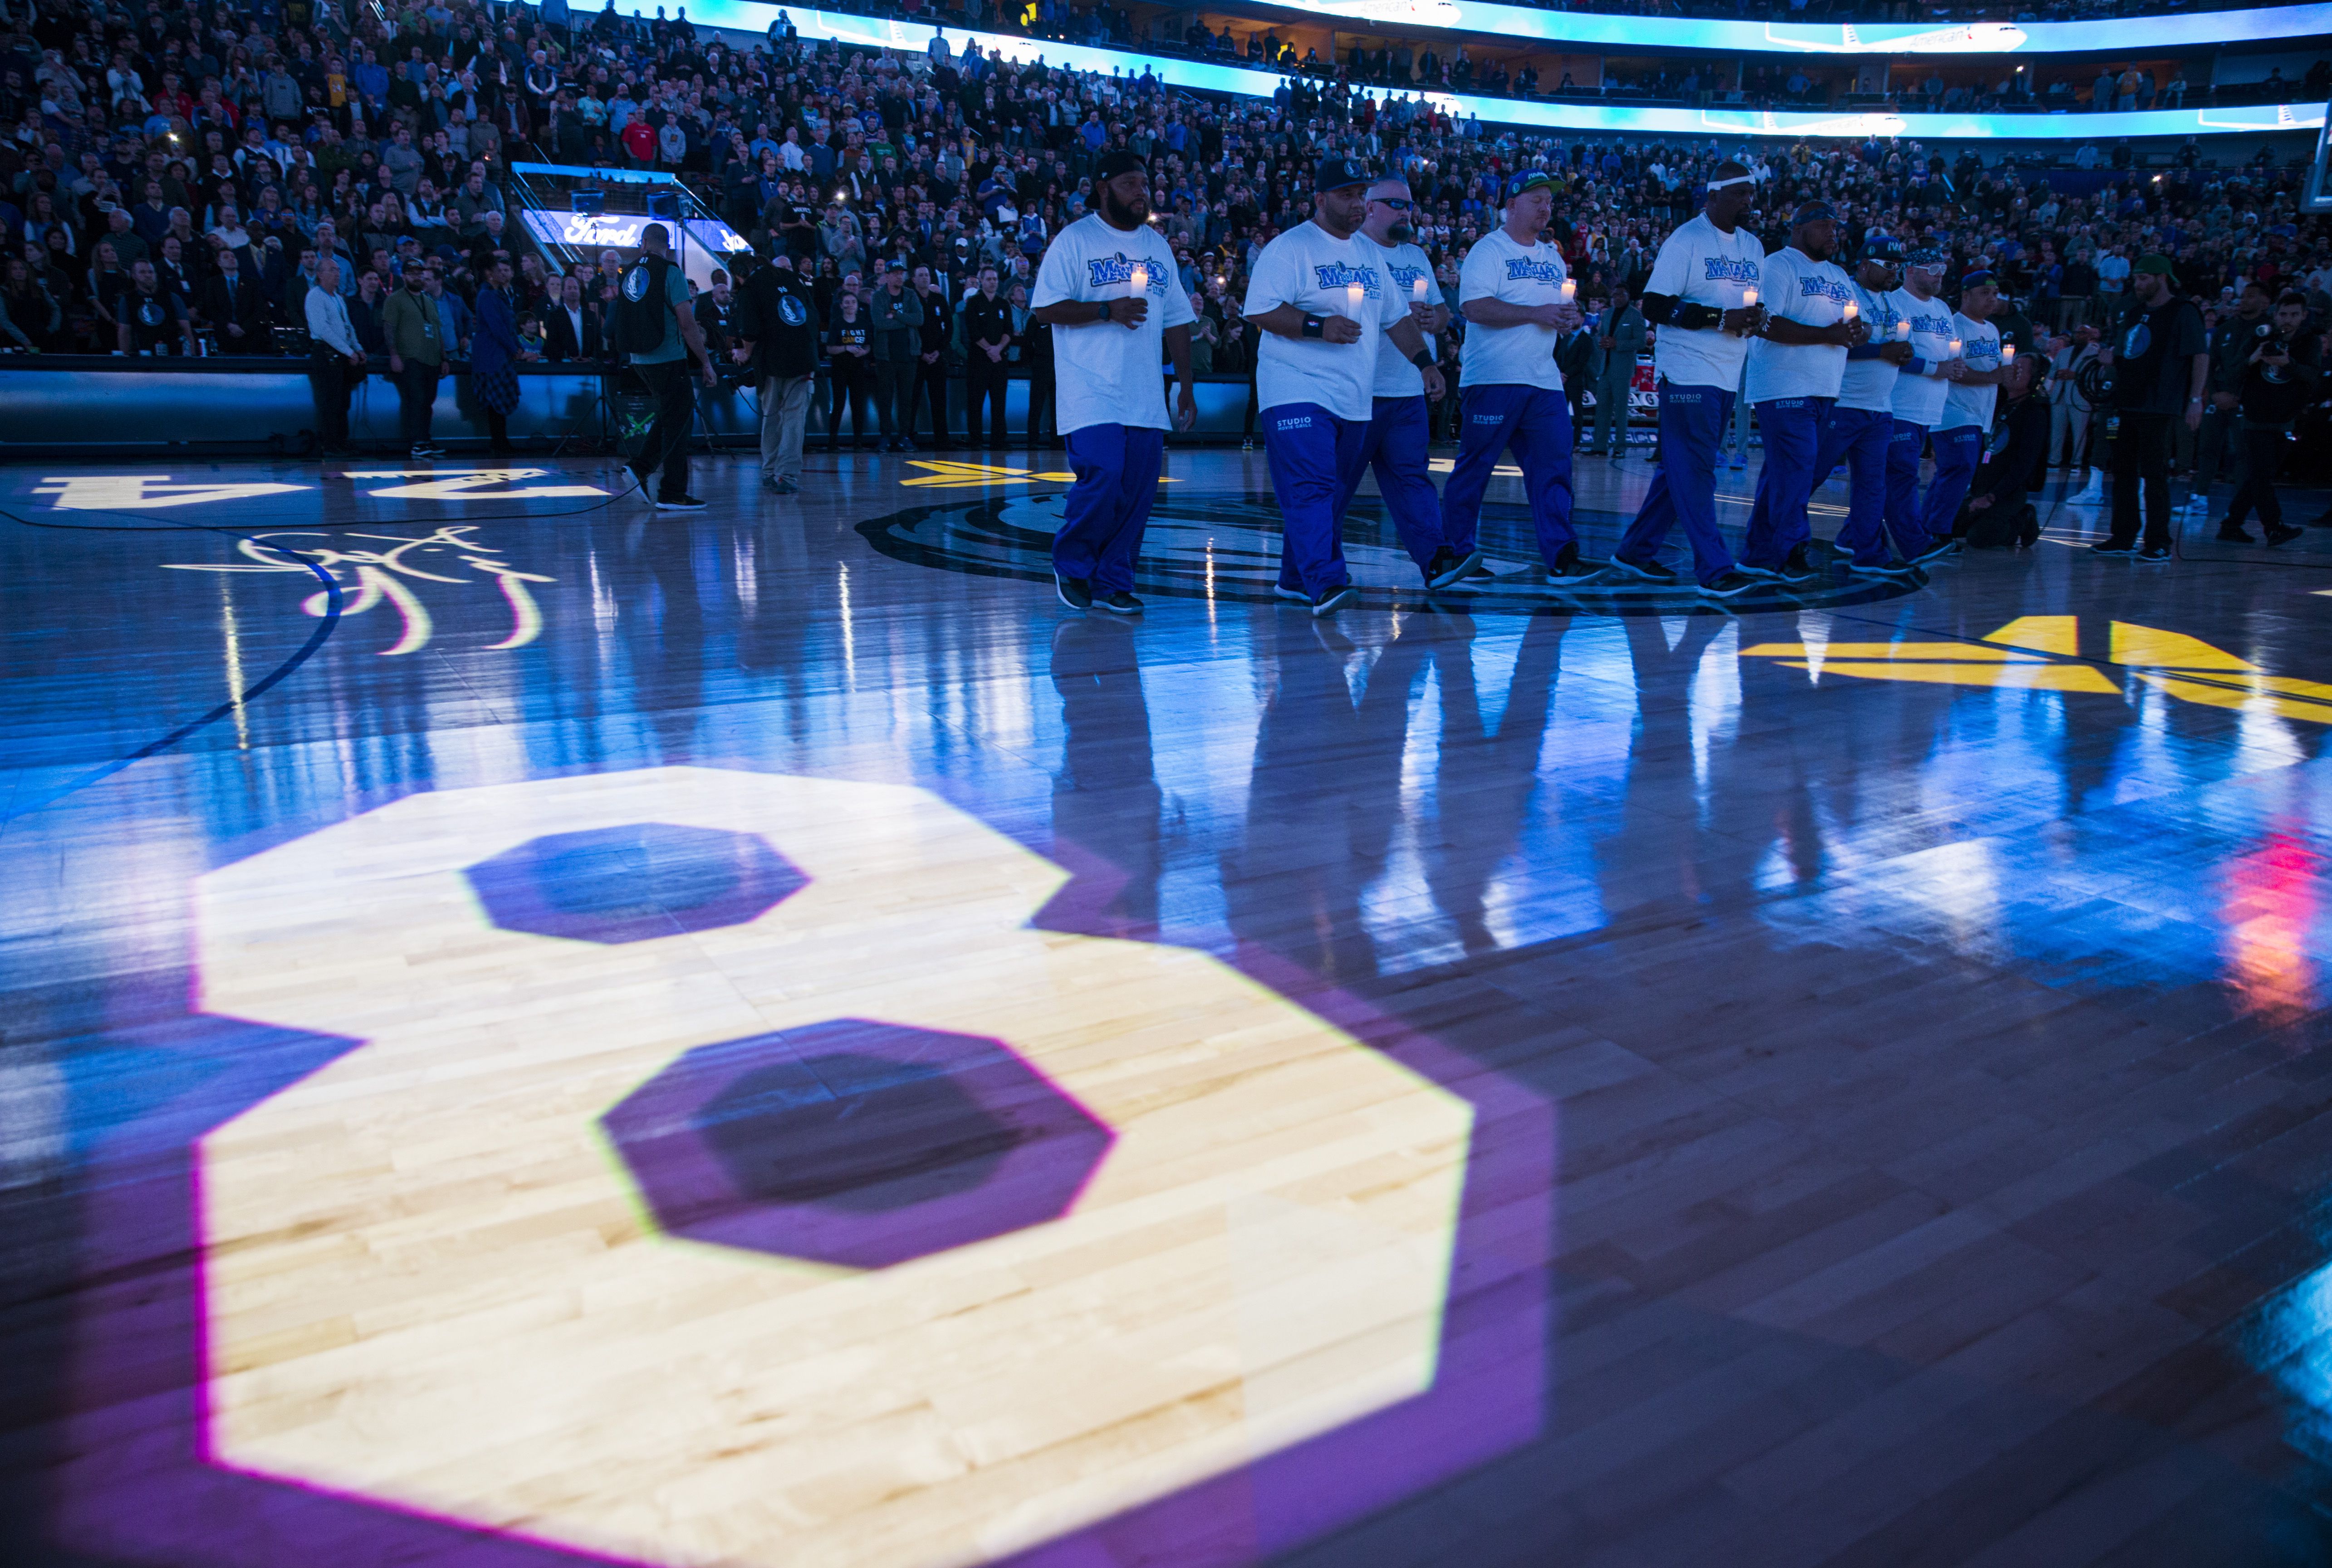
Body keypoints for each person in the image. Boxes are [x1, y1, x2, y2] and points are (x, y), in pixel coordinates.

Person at [1242, 157, 1445, 617]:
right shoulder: (1290, 248)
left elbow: (1396, 319)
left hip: (1353, 396)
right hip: (1296, 388)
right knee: (1312, 486)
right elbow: (1259, 311)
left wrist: (1425, 364)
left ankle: (1296, 579)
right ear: (1319, 199)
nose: (1356, 204)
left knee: (1327, 493)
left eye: (1360, 195)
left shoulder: (1370, 255)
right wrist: (1317, 326)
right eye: (1347, 195)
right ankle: (1326, 582)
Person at [1026, 148, 1197, 614]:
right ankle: (1074, 565)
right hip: (1091, 389)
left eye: (1145, 184)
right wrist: (1106, 309)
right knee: (1102, 477)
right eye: (1130, 184)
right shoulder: (1075, 241)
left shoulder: (1158, 246)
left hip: (1144, 393)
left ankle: (1113, 582)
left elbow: (1178, 319)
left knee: (1138, 495)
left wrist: (1185, 383)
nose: (1142, 192)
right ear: (1103, 189)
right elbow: (1044, 308)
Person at [1612, 162, 1769, 598]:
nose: (1748, 202)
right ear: (1713, 196)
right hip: (1687, 370)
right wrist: (1722, 318)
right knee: (1698, 469)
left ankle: (1635, 551)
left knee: (1679, 469)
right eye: (1739, 194)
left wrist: (1755, 319)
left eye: (1751, 194)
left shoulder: (1754, 246)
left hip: (1726, 371)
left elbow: (1749, 306)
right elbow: (1656, 305)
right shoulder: (1687, 240)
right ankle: (1714, 566)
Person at [1440, 168, 1592, 585]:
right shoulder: (1489, 251)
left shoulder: (1553, 257)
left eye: (1549, 201)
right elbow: (1474, 308)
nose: (1547, 207)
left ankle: (1562, 556)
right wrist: (1537, 314)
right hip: (1493, 378)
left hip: (1542, 380)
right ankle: (1457, 554)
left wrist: (1569, 318)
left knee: (1555, 467)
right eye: (1537, 200)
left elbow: (1556, 313)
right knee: (1475, 469)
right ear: (1511, 205)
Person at [1333, 173, 1474, 592]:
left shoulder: (1415, 256)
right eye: (1395, 204)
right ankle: (1316, 567)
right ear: (1370, 207)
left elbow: (1442, 312)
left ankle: (1436, 561)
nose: (1405, 212)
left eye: (1409, 205)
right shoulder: (1350, 252)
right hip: (1360, 391)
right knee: (1336, 487)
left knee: (1414, 480)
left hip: (1406, 390)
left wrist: (1436, 319)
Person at [1738, 201, 1867, 584]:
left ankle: (1758, 555)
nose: (1834, 233)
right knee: (1797, 469)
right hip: (1783, 386)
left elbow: (1853, 322)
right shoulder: (1779, 265)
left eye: (1836, 227)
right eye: (1825, 226)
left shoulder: (1839, 273)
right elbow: (1765, 324)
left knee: (1785, 472)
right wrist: (1829, 335)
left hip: (1825, 387)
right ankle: (1791, 549)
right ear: (1799, 229)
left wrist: (1859, 332)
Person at [1814, 234, 1922, 577]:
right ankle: (1775, 544)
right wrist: (1882, 351)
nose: (1895, 272)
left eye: (1899, 266)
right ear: (1864, 264)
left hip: (1881, 407)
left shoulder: (1895, 303)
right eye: (1888, 265)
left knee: (1873, 485)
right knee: (1809, 476)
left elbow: (1903, 348)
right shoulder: (1845, 293)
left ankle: (1869, 553)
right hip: (1842, 402)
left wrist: (1905, 353)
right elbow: (1833, 343)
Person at [2090, 255, 2206, 562]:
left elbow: (2199, 355)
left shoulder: (2184, 312)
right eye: (2137, 279)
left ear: (2162, 278)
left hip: (2160, 402)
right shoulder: (2133, 312)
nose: (2138, 285)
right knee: (2123, 471)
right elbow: (2129, 351)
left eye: (2143, 279)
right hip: (2127, 400)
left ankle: (2158, 541)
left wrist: (2195, 399)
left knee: (2154, 473)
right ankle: (2123, 536)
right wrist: (2110, 359)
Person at [613, 221, 718, 509]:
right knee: (679, 424)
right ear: (667, 246)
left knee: (671, 415)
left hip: (638, 359)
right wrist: (706, 362)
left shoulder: (629, 273)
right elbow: (686, 322)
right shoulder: (671, 273)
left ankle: (640, 468)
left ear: (643, 243)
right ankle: (672, 491)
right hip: (668, 357)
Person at [1881, 249, 1969, 570]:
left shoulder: (1943, 308)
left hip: (1927, 409)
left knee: (1889, 477)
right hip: (1898, 405)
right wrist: (1937, 369)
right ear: (1910, 270)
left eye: (1942, 270)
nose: (1939, 276)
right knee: (1902, 476)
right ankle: (1915, 544)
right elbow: (1895, 355)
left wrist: (1953, 368)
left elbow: (1948, 354)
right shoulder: (1894, 303)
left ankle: (1853, 539)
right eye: (1932, 269)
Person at [1920, 270, 2012, 550]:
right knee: (1960, 467)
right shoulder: (1955, 325)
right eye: (1985, 293)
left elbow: (1995, 370)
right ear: (1965, 295)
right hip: (1953, 409)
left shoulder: (1993, 329)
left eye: (1995, 294)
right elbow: (1955, 370)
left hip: (1979, 412)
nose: (1992, 299)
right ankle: (1939, 530)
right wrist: (1993, 378)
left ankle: (1924, 526)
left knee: (1953, 470)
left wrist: (2006, 374)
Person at [2216, 289, 2315, 547]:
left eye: (2294, 314)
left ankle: (2231, 524)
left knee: (2261, 475)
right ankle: (2273, 528)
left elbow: (2313, 376)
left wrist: (2288, 364)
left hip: (2286, 419)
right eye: (2283, 314)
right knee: (2261, 474)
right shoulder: (2259, 337)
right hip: (2256, 417)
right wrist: (2253, 358)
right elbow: (2232, 374)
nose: (2288, 320)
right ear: (2275, 315)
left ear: (2304, 316)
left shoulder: (2310, 342)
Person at [732, 251, 820, 494]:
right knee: (794, 421)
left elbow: (749, 331)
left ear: (740, 274)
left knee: (771, 417)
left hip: (771, 362)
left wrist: (744, 353)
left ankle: (770, 472)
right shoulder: (792, 279)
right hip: (803, 359)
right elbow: (813, 317)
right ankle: (787, 477)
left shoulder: (751, 286)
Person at [2192, 280, 2269, 519]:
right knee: (2207, 448)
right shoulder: (2225, 329)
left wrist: (2238, 396)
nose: (2243, 300)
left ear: (2264, 302)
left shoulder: (2268, 330)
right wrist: (2215, 393)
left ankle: (2237, 511)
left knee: (2244, 454)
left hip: (2246, 400)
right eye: (2242, 296)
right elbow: (2211, 363)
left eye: (2250, 296)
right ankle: (2200, 499)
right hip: (2219, 396)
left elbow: (2264, 371)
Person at [380, 262, 446, 457]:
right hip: (410, 357)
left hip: (432, 359)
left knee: (428, 401)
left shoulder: (429, 301)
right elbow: (389, 328)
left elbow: (437, 330)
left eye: (420, 274)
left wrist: (444, 358)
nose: (417, 277)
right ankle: (417, 442)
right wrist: (394, 355)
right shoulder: (395, 300)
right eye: (412, 273)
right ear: (404, 276)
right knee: (416, 401)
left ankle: (425, 439)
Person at [305, 255, 365, 457]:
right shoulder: (315, 296)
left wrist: (357, 347)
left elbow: (347, 327)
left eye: (338, 270)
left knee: (343, 402)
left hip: (342, 356)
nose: (337, 274)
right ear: (319, 274)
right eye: (332, 270)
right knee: (329, 402)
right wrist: (348, 351)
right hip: (326, 354)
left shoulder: (338, 298)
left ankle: (342, 441)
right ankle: (329, 445)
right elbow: (323, 330)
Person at [471, 256, 525, 455]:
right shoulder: (487, 295)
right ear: (490, 273)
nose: (503, 274)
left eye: (506, 270)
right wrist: (514, 348)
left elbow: (508, 326)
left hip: (499, 353)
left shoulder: (499, 294)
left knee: (498, 399)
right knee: (495, 400)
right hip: (492, 355)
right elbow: (497, 327)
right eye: (499, 270)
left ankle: (501, 441)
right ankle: (499, 441)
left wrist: (516, 346)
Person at [868, 260, 924, 453]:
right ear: (888, 276)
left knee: (906, 400)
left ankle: (904, 437)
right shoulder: (879, 296)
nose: (899, 277)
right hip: (886, 356)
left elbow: (919, 319)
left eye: (902, 273)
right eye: (896, 273)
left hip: (909, 355)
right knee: (885, 399)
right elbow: (880, 323)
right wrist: (906, 320)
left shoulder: (910, 294)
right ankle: (885, 436)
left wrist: (897, 316)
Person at [1586, 285, 1644, 457]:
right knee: (1602, 409)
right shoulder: (1608, 313)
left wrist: (1617, 344)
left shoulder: (1635, 315)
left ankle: (1620, 447)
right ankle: (1599, 447)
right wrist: (1601, 342)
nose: (1617, 298)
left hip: (1623, 370)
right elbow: (1601, 335)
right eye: (1614, 295)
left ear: (1628, 296)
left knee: (1621, 410)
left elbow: (1641, 342)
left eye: (1620, 295)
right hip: (1606, 368)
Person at [961, 265, 1013, 449]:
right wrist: (990, 350)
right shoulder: (974, 303)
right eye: (989, 279)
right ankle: (975, 439)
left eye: (995, 279)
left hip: (999, 360)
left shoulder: (1003, 304)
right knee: (976, 401)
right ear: (981, 281)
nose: (993, 282)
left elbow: (1009, 330)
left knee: (999, 401)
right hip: (979, 360)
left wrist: (998, 349)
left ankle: (999, 439)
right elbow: (973, 332)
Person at [823, 289, 876, 450]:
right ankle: (833, 442)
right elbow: (830, 349)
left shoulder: (864, 323)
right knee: (838, 405)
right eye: (847, 302)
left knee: (857, 405)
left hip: (858, 369)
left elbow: (868, 346)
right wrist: (847, 348)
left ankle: (858, 442)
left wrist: (863, 352)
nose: (850, 305)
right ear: (841, 305)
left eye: (853, 302)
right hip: (840, 369)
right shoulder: (837, 324)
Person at [911, 264, 952, 449]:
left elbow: (949, 327)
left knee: (940, 401)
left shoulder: (939, 299)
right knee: (912, 400)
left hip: (936, 357)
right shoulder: (910, 299)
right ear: (914, 279)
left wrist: (939, 350)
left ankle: (942, 440)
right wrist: (920, 352)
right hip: (917, 358)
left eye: (927, 275)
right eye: (920, 275)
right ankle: (908, 438)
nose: (925, 278)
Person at [199, 245, 269, 353]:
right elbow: (211, 309)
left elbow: (259, 309)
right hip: (225, 333)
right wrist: (229, 326)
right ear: (219, 263)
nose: (231, 259)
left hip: (250, 334)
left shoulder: (252, 283)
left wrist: (243, 328)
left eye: (233, 257)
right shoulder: (213, 283)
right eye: (226, 257)